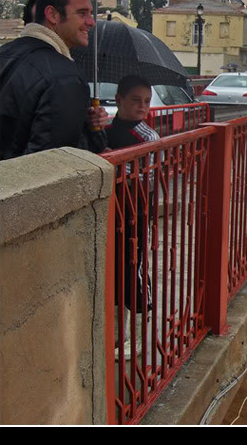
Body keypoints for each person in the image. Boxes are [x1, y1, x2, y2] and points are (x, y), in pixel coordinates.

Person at [0, 0, 108, 160]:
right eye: (81, 13)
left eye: (91, 13)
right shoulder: (64, 77)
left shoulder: (4, 54)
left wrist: (90, 126)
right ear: (53, 15)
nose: (91, 22)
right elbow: (52, 167)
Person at [106, 76, 159, 355]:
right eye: (136, 100)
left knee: (132, 267)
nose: (143, 107)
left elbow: (147, 175)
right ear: (119, 100)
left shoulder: (147, 136)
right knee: (112, 267)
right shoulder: (105, 127)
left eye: (147, 102)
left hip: (133, 211)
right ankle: (117, 335)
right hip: (110, 210)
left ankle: (134, 336)